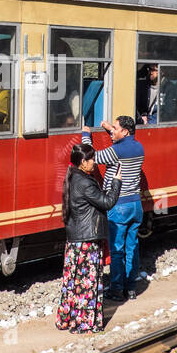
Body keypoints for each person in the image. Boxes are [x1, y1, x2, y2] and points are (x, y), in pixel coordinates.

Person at [56, 142, 122, 334]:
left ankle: (68, 319)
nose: (94, 162)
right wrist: (116, 182)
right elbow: (107, 202)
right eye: (91, 159)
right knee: (87, 282)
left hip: (76, 239)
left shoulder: (73, 177)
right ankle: (84, 323)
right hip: (87, 240)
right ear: (83, 162)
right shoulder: (85, 182)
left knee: (73, 281)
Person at [83, 116, 146, 301]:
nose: (113, 132)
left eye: (115, 128)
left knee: (117, 249)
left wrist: (86, 134)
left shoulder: (116, 151)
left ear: (125, 132)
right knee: (132, 246)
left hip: (119, 205)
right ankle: (131, 288)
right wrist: (110, 128)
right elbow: (121, 140)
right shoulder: (138, 147)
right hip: (136, 205)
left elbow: (92, 157)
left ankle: (117, 289)